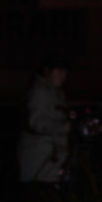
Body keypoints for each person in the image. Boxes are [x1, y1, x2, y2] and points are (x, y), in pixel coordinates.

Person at [17, 53, 71, 184]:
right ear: (47, 71)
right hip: (40, 163)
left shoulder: (56, 93)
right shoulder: (39, 92)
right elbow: (37, 122)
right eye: (58, 71)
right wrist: (64, 127)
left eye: (64, 72)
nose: (62, 76)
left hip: (52, 163)